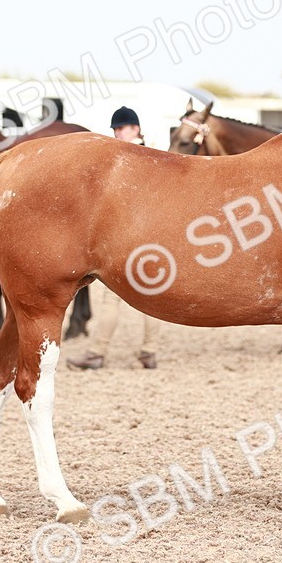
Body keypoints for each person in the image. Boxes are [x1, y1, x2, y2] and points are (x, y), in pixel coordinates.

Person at [67, 106, 162, 371]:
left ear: (135, 128)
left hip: (133, 237)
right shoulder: (154, 155)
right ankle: (148, 352)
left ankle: (98, 353)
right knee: (149, 298)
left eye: (122, 128)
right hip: (150, 239)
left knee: (113, 297)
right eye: (116, 129)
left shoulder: (138, 156)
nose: (118, 133)